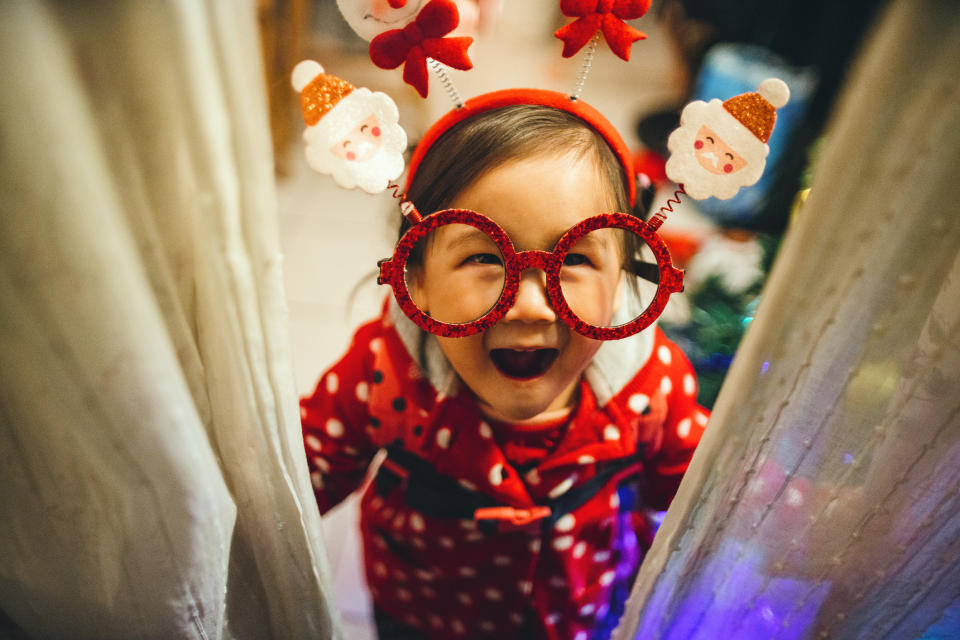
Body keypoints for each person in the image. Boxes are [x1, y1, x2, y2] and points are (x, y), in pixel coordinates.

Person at [300, 92, 710, 640]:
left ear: (620, 284)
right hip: (419, 617)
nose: (532, 305)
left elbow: (701, 501)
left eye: (580, 259)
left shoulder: (651, 382)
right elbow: (298, 480)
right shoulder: (384, 369)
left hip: (581, 616)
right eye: (484, 257)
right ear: (414, 278)